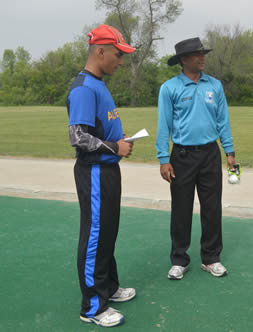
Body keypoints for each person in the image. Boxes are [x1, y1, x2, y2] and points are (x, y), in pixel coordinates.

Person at [67, 24, 137, 327]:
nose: (120, 61)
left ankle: (108, 287)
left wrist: (120, 143)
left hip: (108, 170)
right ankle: (92, 306)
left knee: (108, 231)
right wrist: (114, 145)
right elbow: (78, 136)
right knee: (95, 235)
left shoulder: (99, 84)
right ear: (100, 51)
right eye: (118, 55)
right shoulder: (84, 87)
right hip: (94, 171)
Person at [156, 37, 236, 280]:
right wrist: (162, 158)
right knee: (181, 209)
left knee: (212, 208)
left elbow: (223, 121)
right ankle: (179, 259)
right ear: (183, 60)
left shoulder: (215, 85)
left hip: (210, 154)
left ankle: (211, 258)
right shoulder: (170, 88)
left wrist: (229, 152)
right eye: (196, 54)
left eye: (203, 53)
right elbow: (164, 125)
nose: (202, 58)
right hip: (181, 155)